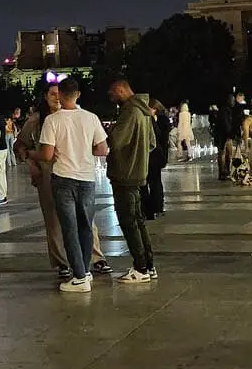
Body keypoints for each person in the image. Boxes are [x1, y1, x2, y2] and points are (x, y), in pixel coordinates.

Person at [15, 82, 113, 278]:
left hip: (68, 175)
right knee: (55, 222)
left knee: (84, 221)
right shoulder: (37, 121)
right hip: (49, 176)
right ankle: (63, 263)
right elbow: (20, 146)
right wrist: (31, 163)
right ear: (45, 97)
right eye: (52, 94)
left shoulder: (75, 117)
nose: (56, 98)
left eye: (59, 94)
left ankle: (95, 258)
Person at [38, 78, 108, 293]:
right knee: (86, 226)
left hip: (63, 178)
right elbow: (103, 149)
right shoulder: (91, 118)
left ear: (59, 95)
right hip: (86, 178)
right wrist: (85, 151)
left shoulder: (52, 121)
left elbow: (47, 155)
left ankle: (78, 276)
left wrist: (35, 154)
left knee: (69, 229)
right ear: (78, 94)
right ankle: (85, 271)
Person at [107, 79, 157, 284]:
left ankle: (140, 267)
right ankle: (149, 265)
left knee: (129, 222)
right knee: (138, 221)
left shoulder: (129, 111)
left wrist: (111, 133)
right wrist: (139, 156)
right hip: (138, 173)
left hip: (125, 175)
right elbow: (152, 143)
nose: (111, 98)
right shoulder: (144, 111)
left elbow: (116, 141)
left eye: (112, 93)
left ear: (120, 90)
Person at [141, 99, 170, 220]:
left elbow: (161, 138)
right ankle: (156, 208)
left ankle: (151, 209)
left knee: (150, 182)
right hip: (157, 155)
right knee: (155, 182)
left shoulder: (153, 120)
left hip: (152, 155)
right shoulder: (158, 119)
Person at [214, 95, 235, 180]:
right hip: (222, 137)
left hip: (227, 136)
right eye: (232, 100)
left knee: (229, 154)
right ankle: (222, 172)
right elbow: (225, 125)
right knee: (222, 154)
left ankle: (227, 171)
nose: (233, 102)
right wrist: (230, 133)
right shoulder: (224, 111)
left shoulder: (228, 110)